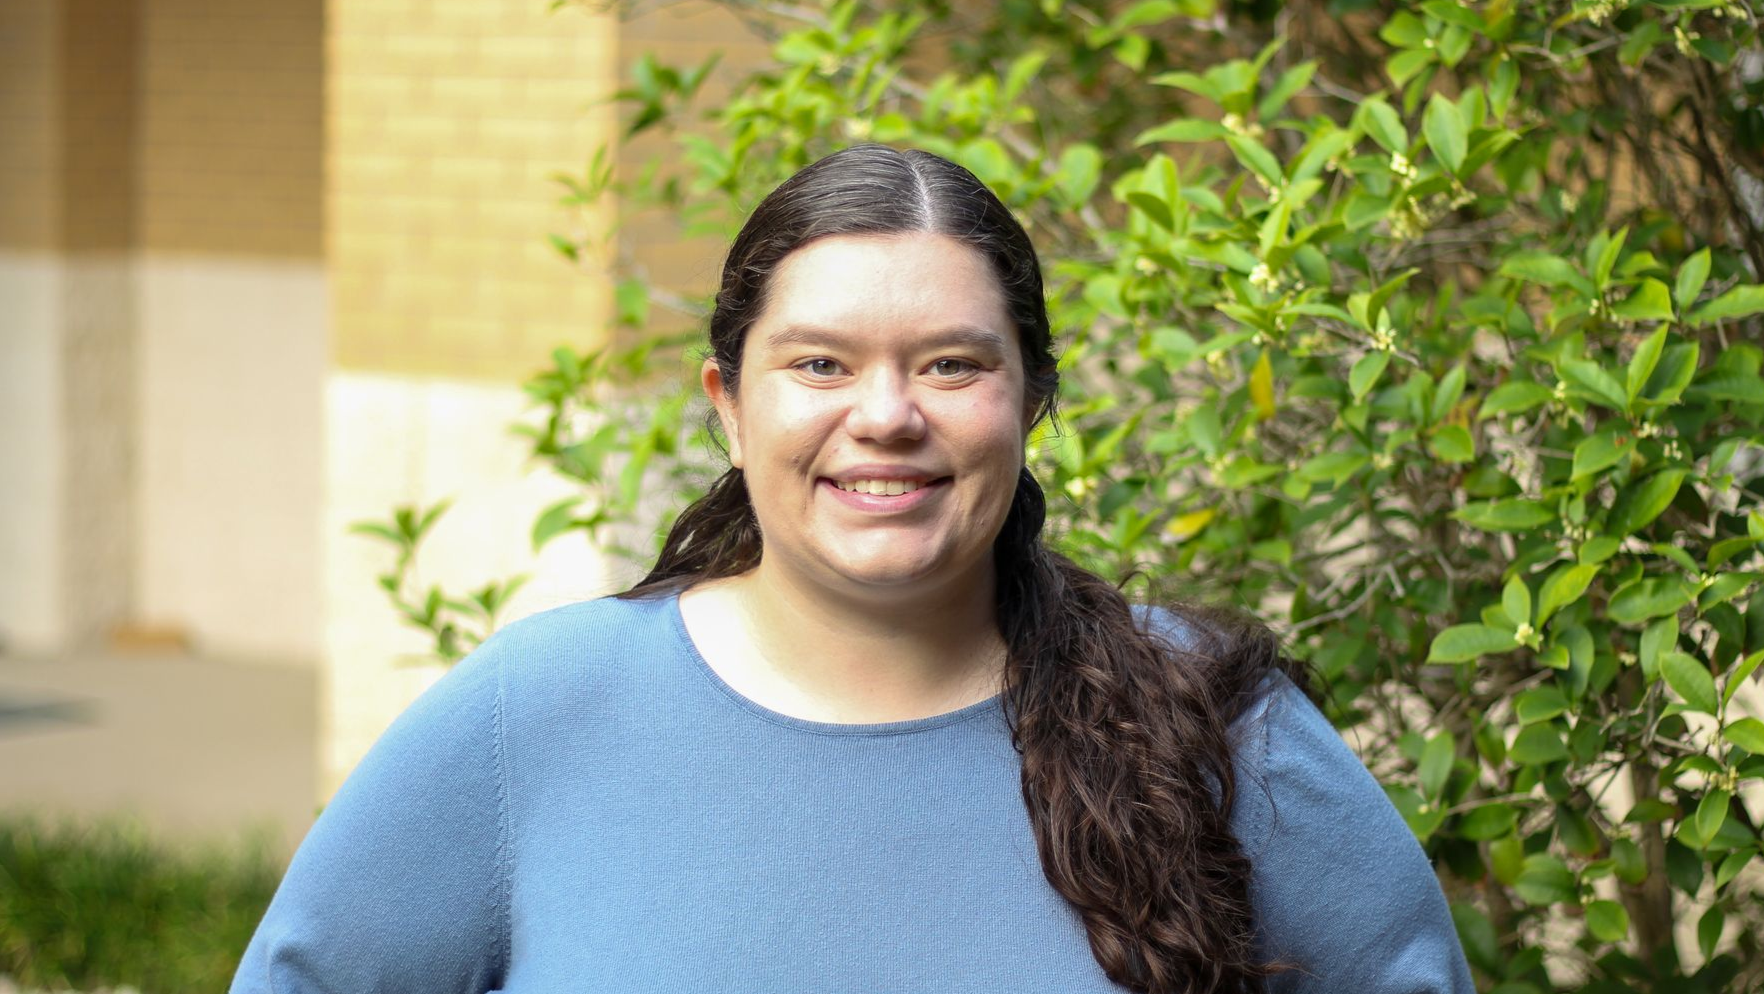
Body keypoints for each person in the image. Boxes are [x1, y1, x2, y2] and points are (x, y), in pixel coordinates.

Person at [232, 145, 1474, 993]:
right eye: (819, 364)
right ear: (727, 404)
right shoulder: (534, 713)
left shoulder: (1213, 724)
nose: (885, 415)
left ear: (1031, 398)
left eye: (950, 364)